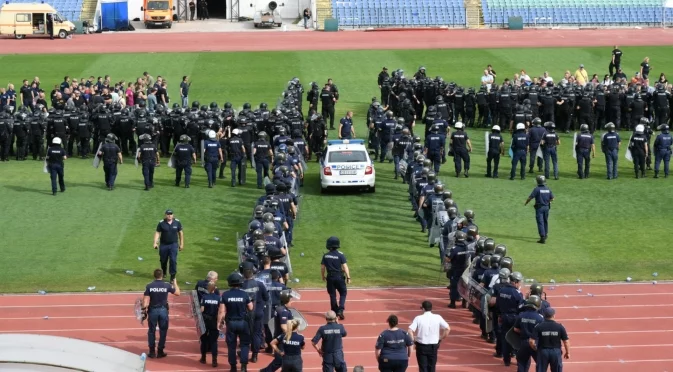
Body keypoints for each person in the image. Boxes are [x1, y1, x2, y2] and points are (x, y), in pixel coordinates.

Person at [141, 268, 181, 359]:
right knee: (163, 331)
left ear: (154, 275)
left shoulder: (149, 286)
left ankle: (151, 352)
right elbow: (178, 293)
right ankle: (160, 351)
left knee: (151, 331)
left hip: (153, 311)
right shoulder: (166, 285)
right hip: (163, 311)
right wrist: (175, 283)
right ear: (162, 275)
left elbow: (145, 301)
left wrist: (143, 310)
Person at [222, 272, 253, 372]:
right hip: (243, 322)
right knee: (244, 344)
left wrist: (220, 322)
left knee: (231, 346)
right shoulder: (244, 294)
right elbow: (250, 307)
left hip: (231, 323)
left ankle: (233, 367)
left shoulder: (225, 294)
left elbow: (222, 311)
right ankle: (244, 366)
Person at [408, 301, 450, 372]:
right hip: (433, 346)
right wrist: (441, 338)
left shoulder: (418, 318)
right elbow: (448, 328)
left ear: (423, 309)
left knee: (422, 367)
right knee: (432, 367)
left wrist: (414, 340)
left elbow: (410, 330)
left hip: (421, 346)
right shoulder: (438, 317)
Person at [260, 290, 297, 372]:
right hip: (282, 339)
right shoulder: (283, 312)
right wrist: (292, 335)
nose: (292, 301)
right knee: (279, 360)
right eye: (290, 300)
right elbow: (283, 327)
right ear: (286, 300)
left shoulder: (280, 309)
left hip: (281, 337)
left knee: (284, 360)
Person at [495, 271, 524, 367]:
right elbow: (520, 308)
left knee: (505, 338)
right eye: (519, 282)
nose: (520, 284)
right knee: (516, 338)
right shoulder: (517, 293)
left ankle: (506, 360)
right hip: (514, 318)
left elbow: (497, 305)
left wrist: (500, 315)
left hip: (503, 317)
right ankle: (517, 357)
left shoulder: (501, 290)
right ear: (515, 282)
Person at [529, 308, 570, 372]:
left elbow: (531, 341)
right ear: (554, 315)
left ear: (544, 315)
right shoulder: (560, 327)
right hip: (556, 352)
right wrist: (567, 352)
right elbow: (566, 341)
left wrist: (536, 349)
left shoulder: (539, 326)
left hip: (543, 351)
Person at [321, 236, 351, 320]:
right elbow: (345, 267)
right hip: (339, 277)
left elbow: (322, 268)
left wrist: (323, 276)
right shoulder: (341, 255)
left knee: (332, 295)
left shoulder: (325, 256)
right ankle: (340, 310)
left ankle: (334, 312)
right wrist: (348, 277)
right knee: (343, 293)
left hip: (330, 277)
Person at [513, 295, 544, 372]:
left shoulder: (521, 315)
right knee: (540, 363)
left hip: (523, 343)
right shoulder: (540, 317)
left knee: (522, 362)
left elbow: (515, 329)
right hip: (535, 343)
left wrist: (524, 331)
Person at [153, 209, 184, 282]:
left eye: (170, 214)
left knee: (173, 260)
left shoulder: (177, 222)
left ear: (173, 215)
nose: (169, 215)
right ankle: (164, 272)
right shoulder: (161, 223)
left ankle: (172, 277)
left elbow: (180, 233)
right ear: (165, 215)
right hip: (164, 245)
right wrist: (155, 242)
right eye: (168, 214)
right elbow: (157, 232)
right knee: (163, 260)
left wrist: (181, 244)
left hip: (173, 244)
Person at [199, 280, 223, 367]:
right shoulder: (218, 298)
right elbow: (221, 310)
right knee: (214, 341)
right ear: (215, 288)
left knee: (204, 339)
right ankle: (214, 360)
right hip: (214, 320)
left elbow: (202, 310)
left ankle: (203, 358)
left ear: (208, 288)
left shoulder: (204, 297)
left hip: (205, 321)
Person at [525, 175, 554, 244]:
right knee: (545, 221)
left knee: (540, 222)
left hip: (539, 208)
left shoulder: (537, 189)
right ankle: (545, 234)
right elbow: (552, 198)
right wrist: (547, 202)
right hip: (546, 207)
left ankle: (542, 237)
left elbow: (530, 197)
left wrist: (526, 202)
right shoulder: (548, 188)